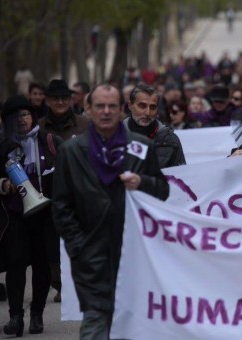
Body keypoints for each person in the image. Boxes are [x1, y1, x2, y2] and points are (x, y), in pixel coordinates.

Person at [53, 84, 169, 339]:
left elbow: (163, 191)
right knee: (96, 324)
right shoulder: (71, 152)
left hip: (136, 257)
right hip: (91, 258)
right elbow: (61, 206)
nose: (106, 111)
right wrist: (78, 247)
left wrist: (143, 182)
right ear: (88, 109)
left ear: (121, 109)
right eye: (100, 106)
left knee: (134, 326)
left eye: (112, 106)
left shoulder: (140, 147)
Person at [0, 95, 63, 337]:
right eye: (16, 117)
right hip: (15, 217)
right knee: (16, 265)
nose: (22, 120)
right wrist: (2, 185)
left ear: (33, 117)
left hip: (44, 215)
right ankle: (15, 316)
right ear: (8, 121)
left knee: (41, 266)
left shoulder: (49, 141)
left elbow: (66, 172)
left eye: (26, 115)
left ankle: (37, 314)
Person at [125, 83, 186, 168]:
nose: (147, 113)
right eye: (142, 106)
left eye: (152, 107)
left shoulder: (170, 140)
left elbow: (179, 178)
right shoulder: (115, 136)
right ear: (130, 106)